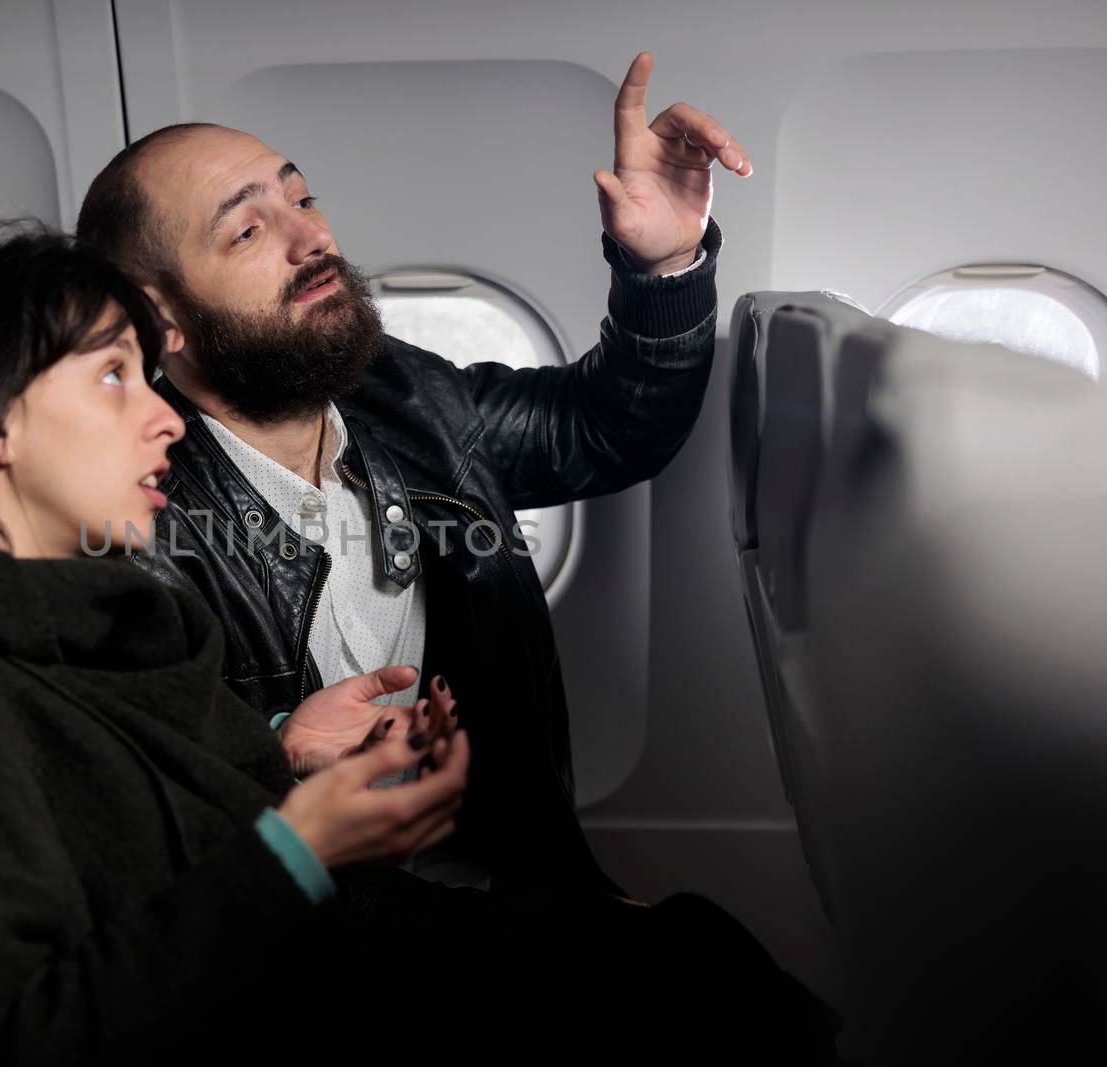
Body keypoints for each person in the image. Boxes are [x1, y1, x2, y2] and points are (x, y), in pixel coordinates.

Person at [0, 225, 839, 1065]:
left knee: (693, 956)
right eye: (111, 378)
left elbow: (137, 819)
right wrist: (301, 848)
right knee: (699, 990)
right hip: (291, 1005)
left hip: (326, 967)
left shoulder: (76, 616)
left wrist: (289, 754)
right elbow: (12, 1041)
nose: (165, 419)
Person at [73, 51, 745, 898]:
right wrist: (276, 757)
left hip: (506, 884)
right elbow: (123, 813)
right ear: (156, 314)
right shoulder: (131, 522)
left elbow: (604, 429)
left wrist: (662, 265)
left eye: (303, 198)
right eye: (248, 230)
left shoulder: (403, 393)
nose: (313, 238)